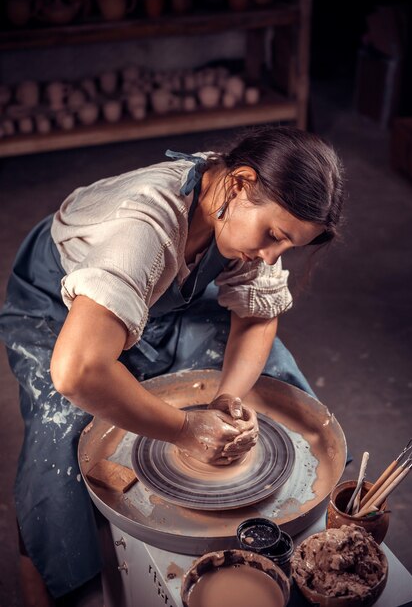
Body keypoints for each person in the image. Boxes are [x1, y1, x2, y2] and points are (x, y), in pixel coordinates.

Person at [0, 125, 344, 606]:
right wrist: (185, 430)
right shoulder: (145, 226)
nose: (270, 255)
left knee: (272, 378)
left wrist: (229, 396)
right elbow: (76, 370)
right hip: (56, 309)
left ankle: (300, 534)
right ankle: (46, 571)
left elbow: (258, 315)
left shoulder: (240, 200)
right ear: (240, 181)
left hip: (163, 299)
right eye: (272, 235)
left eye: (287, 246)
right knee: (63, 434)